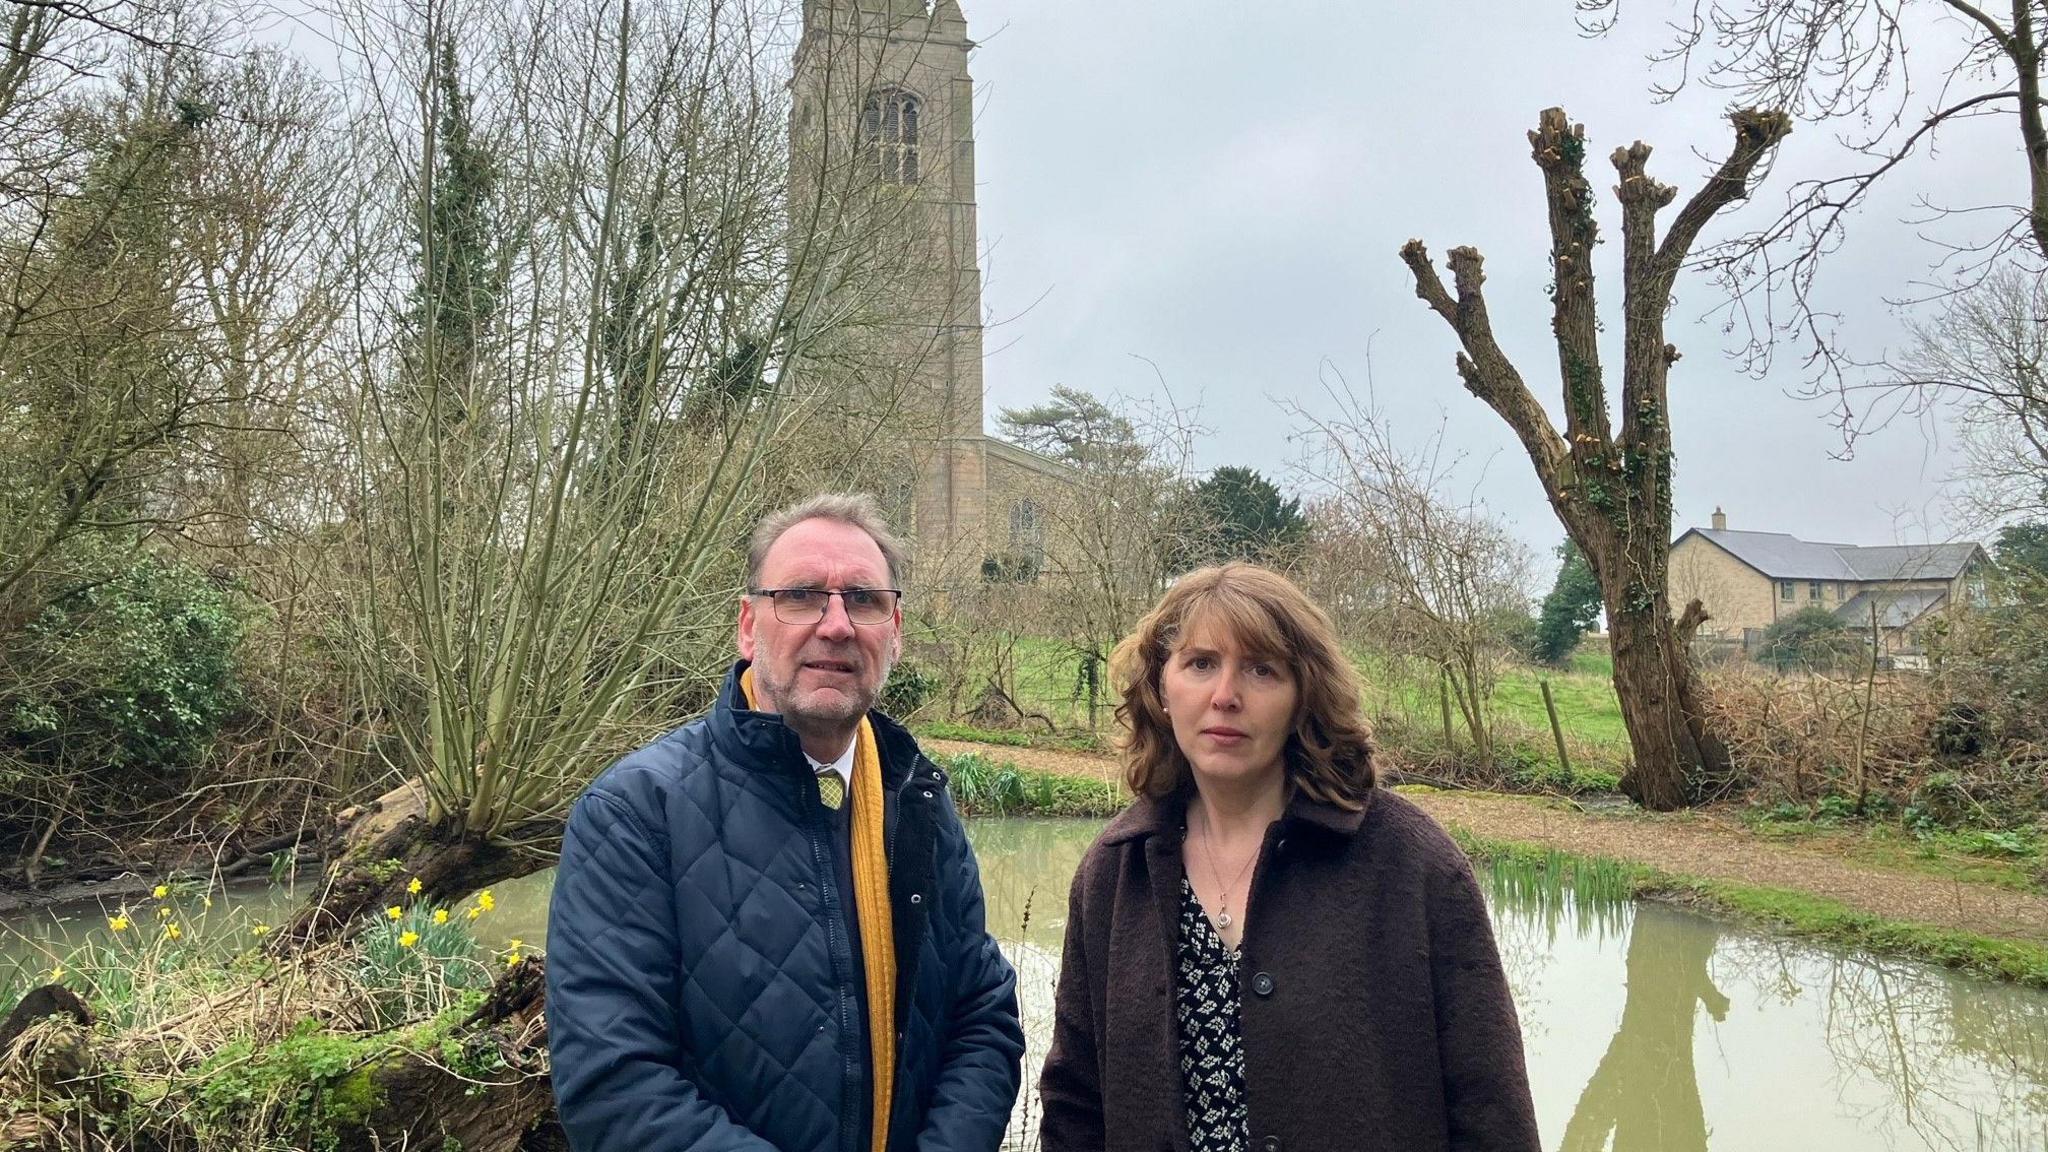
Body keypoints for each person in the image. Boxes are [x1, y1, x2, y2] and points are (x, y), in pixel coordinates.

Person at [547, 493, 1024, 1152]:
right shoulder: (634, 815)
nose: (835, 624)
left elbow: (982, 1016)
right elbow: (614, 1084)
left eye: (864, 600)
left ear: (896, 630)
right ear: (748, 624)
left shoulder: (918, 801)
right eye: (800, 596)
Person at [1037, 562, 1539, 1152]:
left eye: (1262, 669)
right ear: (1161, 690)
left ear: (1304, 696)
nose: (1226, 696)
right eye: (1201, 664)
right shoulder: (1114, 872)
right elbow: (1075, 1106)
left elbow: (1491, 1108)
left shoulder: (1411, 863)